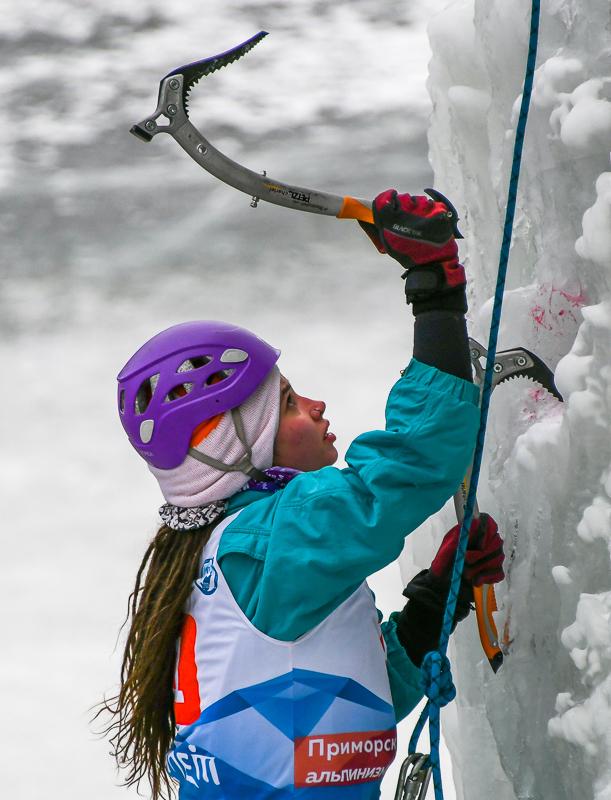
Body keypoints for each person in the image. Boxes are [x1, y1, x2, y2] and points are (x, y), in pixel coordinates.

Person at [99, 190, 506, 800]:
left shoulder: (222, 554)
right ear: (238, 444)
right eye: (288, 403)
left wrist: (427, 605)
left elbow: (330, 711)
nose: (315, 406)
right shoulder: (269, 543)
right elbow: (412, 462)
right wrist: (435, 286)